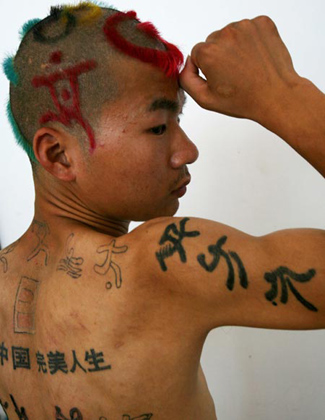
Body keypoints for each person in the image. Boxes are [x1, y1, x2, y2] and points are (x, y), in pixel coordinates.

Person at [0, 2, 324, 419]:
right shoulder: (162, 265)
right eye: (158, 127)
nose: (187, 150)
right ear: (58, 154)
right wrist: (283, 93)